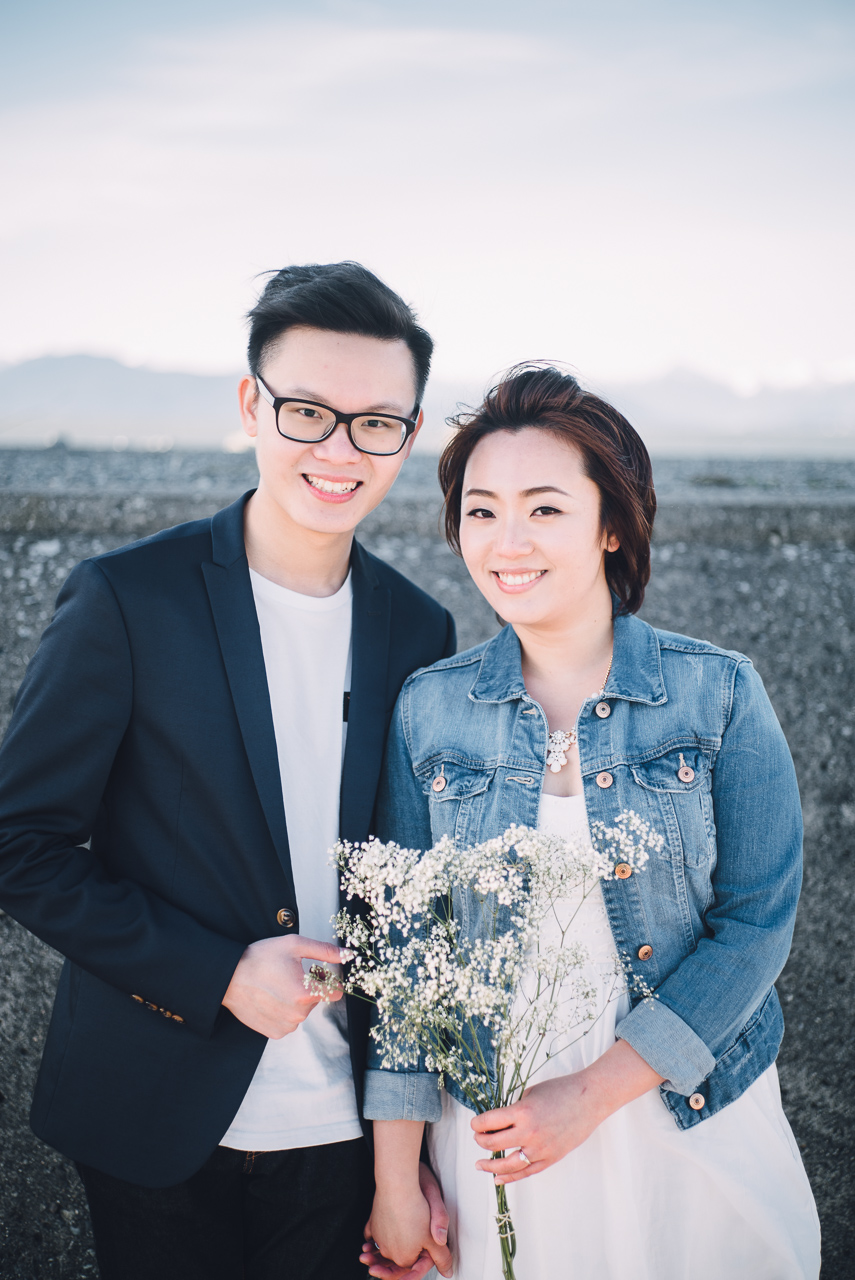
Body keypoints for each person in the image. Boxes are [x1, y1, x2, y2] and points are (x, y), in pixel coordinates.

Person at [0, 262, 455, 1280]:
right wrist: (215, 975)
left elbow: (414, 900)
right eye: (307, 411)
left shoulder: (420, 630)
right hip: (154, 1114)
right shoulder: (128, 598)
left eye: (376, 421)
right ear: (251, 405)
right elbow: (18, 845)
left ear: (410, 436)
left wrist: (409, 1147)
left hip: (347, 1127)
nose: (340, 449)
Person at [360, 365, 821, 1279]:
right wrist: (395, 1181)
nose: (506, 540)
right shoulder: (430, 711)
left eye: (543, 508)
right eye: (481, 510)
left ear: (611, 525)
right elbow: (407, 959)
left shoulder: (717, 692)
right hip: (495, 1125)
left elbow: (755, 925)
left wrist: (592, 1093)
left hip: (684, 1111)